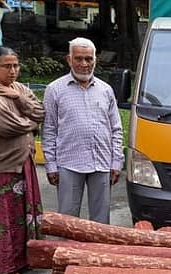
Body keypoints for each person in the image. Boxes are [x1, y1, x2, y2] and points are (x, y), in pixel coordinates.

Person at [0, 46, 46, 274]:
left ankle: (26, 260)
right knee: (3, 218)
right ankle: (4, 266)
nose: (12, 71)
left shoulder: (20, 89)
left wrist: (20, 100)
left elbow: (40, 111)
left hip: (23, 162)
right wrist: (32, 125)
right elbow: (6, 126)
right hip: (2, 166)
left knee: (25, 216)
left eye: (15, 65)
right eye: (7, 66)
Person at [42, 37, 123, 224]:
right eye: (78, 59)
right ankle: (68, 253)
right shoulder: (55, 89)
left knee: (101, 222)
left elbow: (116, 128)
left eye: (89, 59)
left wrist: (116, 161)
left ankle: (97, 254)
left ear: (95, 60)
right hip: (69, 163)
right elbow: (49, 129)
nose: (84, 64)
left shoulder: (106, 90)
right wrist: (51, 165)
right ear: (69, 59)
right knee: (67, 222)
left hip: (102, 163)